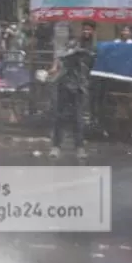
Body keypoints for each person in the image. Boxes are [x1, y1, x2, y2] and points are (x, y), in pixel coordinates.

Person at [49, 20, 96, 159]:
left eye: (89, 30)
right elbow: (61, 56)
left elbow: (91, 61)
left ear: (93, 32)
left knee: (78, 118)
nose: (86, 32)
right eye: (84, 29)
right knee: (59, 116)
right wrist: (55, 67)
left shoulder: (94, 48)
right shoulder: (74, 44)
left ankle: (80, 148)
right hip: (65, 83)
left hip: (80, 86)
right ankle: (56, 146)